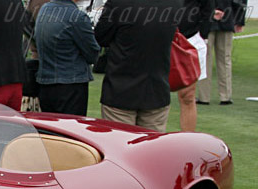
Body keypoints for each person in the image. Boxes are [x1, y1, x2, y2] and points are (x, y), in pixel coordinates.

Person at [94, 0, 179, 132]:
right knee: (151, 149)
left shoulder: (118, 3)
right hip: (155, 89)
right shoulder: (174, 3)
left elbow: (101, 36)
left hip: (121, 89)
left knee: (120, 148)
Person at [34, 0, 100, 116]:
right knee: (70, 128)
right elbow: (92, 53)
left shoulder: (45, 9)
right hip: (70, 85)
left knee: (51, 130)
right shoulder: (76, 16)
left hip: (46, 82)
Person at [198, 0, 246, 105]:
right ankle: (225, 96)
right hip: (226, 18)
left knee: (205, 59)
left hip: (207, 19)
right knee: (224, 59)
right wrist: (240, 20)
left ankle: (204, 96)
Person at [176, 0, 213, 131]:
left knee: (187, 95)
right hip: (160, 38)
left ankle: (186, 142)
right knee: (155, 97)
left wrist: (203, 34)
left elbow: (208, 7)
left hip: (192, 40)